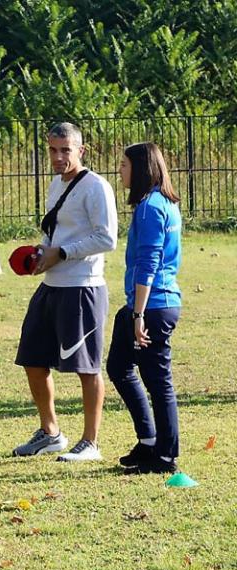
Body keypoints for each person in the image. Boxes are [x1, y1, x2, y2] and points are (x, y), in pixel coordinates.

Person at [12, 122, 118, 461]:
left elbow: (107, 238)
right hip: (51, 286)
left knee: (87, 368)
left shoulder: (96, 187)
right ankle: (50, 432)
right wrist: (42, 253)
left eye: (65, 150)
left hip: (82, 288)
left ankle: (91, 442)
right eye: (53, 150)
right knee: (31, 359)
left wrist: (63, 252)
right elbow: (57, 233)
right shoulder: (56, 184)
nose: (58, 157)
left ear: (81, 150)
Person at [109, 142, 183, 474]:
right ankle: (149, 441)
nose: (120, 171)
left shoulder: (151, 207)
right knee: (118, 366)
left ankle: (165, 456)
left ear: (141, 168)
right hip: (148, 304)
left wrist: (138, 314)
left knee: (158, 382)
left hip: (152, 306)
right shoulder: (162, 202)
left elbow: (148, 262)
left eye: (124, 165)